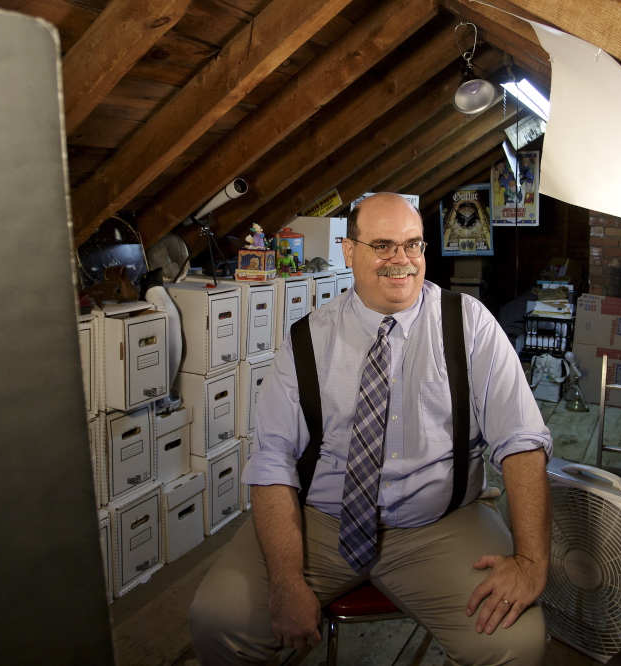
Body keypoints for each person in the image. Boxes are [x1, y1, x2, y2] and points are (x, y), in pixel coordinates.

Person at [189, 193, 553, 665]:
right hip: (322, 521)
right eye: (383, 245)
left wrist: (530, 563)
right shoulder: (308, 339)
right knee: (218, 620)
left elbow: (522, 441)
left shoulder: (468, 324)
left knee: (516, 645)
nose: (401, 261)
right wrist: (285, 580)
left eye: (413, 245)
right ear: (349, 251)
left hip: (440, 522)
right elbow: (273, 461)